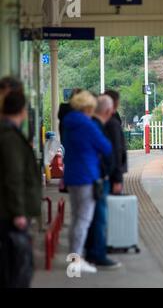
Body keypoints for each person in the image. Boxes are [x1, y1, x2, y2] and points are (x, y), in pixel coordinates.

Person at [63, 91, 112, 273]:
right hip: (86, 176)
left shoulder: (68, 123)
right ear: (88, 108)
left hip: (72, 176)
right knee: (83, 220)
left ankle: (73, 256)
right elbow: (106, 147)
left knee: (76, 218)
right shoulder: (87, 125)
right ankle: (76, 261)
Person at [0, 90, 42, 288]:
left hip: (7, 211)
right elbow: (13, 177)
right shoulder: (10, 138)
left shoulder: (8, 134)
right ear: (22, 111)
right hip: (9, 213)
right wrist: (18, 212)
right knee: (16, 265)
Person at [85, 95, 121, 269]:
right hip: (98, 177)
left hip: (91, 177)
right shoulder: (98, 127)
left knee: (91, 217)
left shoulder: (91, 124)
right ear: (108, 110)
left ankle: (91, 250)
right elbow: (108, 151)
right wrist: (112, 175)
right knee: (100, 217)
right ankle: (97, 254)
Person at [104, 90, 128, 194]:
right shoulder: (113, 122)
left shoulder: (100, 120)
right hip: (112, 172)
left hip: (104, 171)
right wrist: (118, 178)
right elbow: (117, 149)